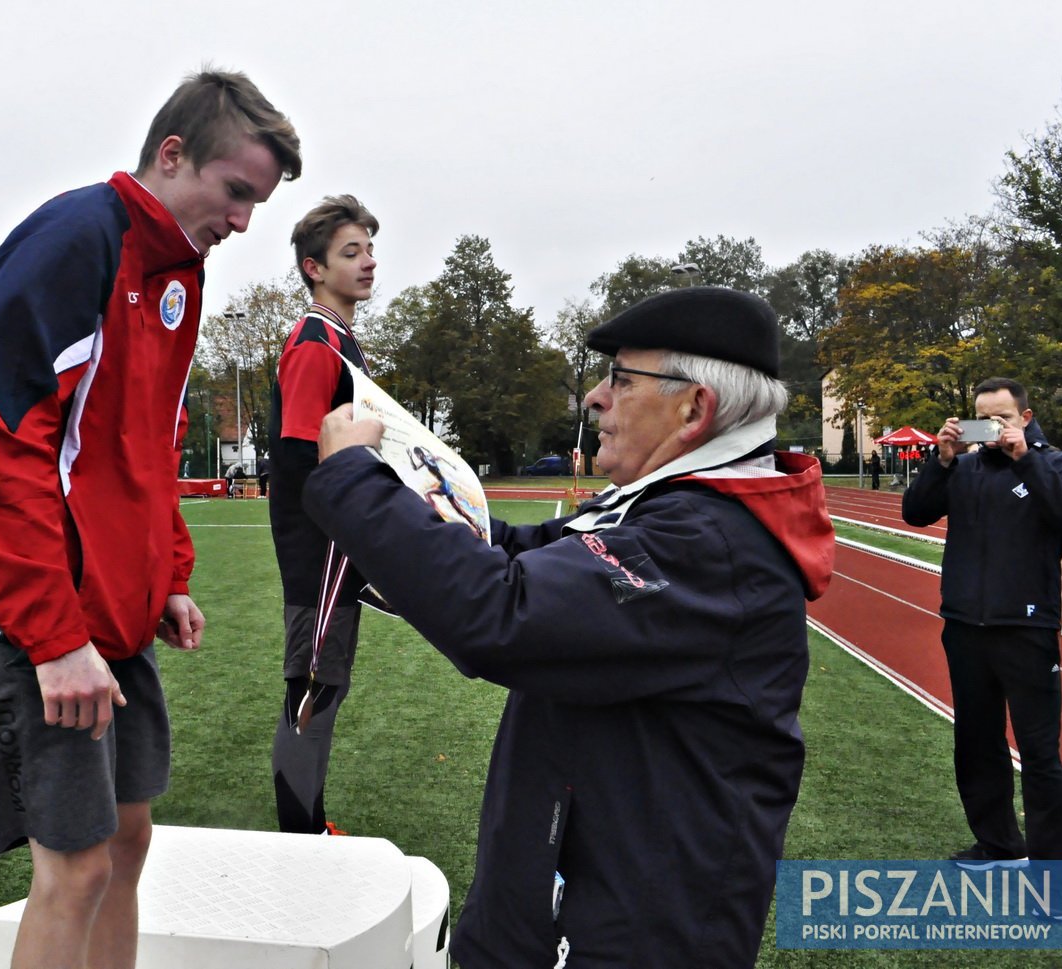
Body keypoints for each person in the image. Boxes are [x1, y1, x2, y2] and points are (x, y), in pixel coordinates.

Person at [305, 287, 835, 967]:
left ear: (694, 408)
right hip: (571, 905)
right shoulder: (669, 510)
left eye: (620, 378)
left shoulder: (706, 541)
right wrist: (409, 506)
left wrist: (353, 480)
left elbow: (501, 612)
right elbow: (515, 550)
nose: (595, 396)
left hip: (629, 934)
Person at [0, 69, 302, 969]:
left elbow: (147, 443)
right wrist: (56, 637)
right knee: (75, 871)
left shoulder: (177, 270)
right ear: (172, 155)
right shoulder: (78, 237)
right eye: (237, 191)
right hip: (40, 623)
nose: (246, 220)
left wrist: (166, 575)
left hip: (116, 619)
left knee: (129, 845)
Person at [902, 378, 1062, 894]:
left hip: (1025, 628)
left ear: (1025, 418)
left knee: (1039, 754)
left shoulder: (1056, 464)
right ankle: (999, 844)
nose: (993, 427)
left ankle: (1054, 882)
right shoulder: (962, 467)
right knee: (976, 744)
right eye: (983, 417)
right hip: (964, 624)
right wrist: (940, 458)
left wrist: (1025, 457)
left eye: (1003, 416)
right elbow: (914, 512)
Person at [268, 194, 378, 834]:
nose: (367, 262)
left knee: (323, 681)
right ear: (315, 267)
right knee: (313, 686)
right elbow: (297, 453)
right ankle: (300, 834)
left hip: (338, 545)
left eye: (368, 249)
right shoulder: (315, 343)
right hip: (321, 552)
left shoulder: (339, 340)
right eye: (350, 252)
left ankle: (307, 825)